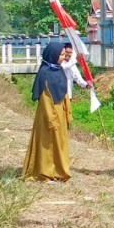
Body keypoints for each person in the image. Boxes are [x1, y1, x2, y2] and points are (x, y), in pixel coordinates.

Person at [23, 42, 72, 182]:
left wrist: (67, 112)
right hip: (48, 114)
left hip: (60, 111)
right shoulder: (45, 73)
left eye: (63, 55)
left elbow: (64, 92)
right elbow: (45, 99)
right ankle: (44, 173)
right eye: (61, 55)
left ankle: (58, 171)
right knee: (47, 143)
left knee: (59, 143)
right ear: (53, 55)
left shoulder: (58, 69)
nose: (63, 57)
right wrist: (51, 119)